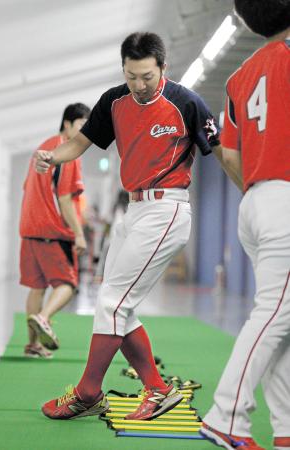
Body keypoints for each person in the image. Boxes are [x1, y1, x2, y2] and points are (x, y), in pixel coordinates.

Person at [35, 32, 237, 420]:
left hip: (168, 211)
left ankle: (87, 393)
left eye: (147, 76)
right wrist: (53, 156)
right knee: (115, 305)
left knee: (113, 303)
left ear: (163, 67)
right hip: (134, 212)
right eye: (132, 76)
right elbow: (79, 143)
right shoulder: (114, 102)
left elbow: (224, 152)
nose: (140, 85)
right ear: (123, 70)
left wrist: (257, 193)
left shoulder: (186, 103)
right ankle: (158, 390)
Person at [200, 1, 290, 449]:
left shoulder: (240, 76)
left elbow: (228, 154)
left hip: (255, 201)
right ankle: (226, 416)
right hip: (285, 201)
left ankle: (285, 429)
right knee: (276, 314)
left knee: (281, 319)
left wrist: (260, 190)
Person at [20, 103, 90, 358]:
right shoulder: (66, 152)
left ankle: (33, 346)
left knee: (37, 288)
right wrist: (79, 233)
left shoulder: (42, 148)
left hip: (28, 228)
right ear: (68, 124)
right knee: (67, 285)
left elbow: (26, 186)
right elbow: (65, 199)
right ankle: (44, 317)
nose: (85, 133)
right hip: (52, 229)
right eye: (82, 126)